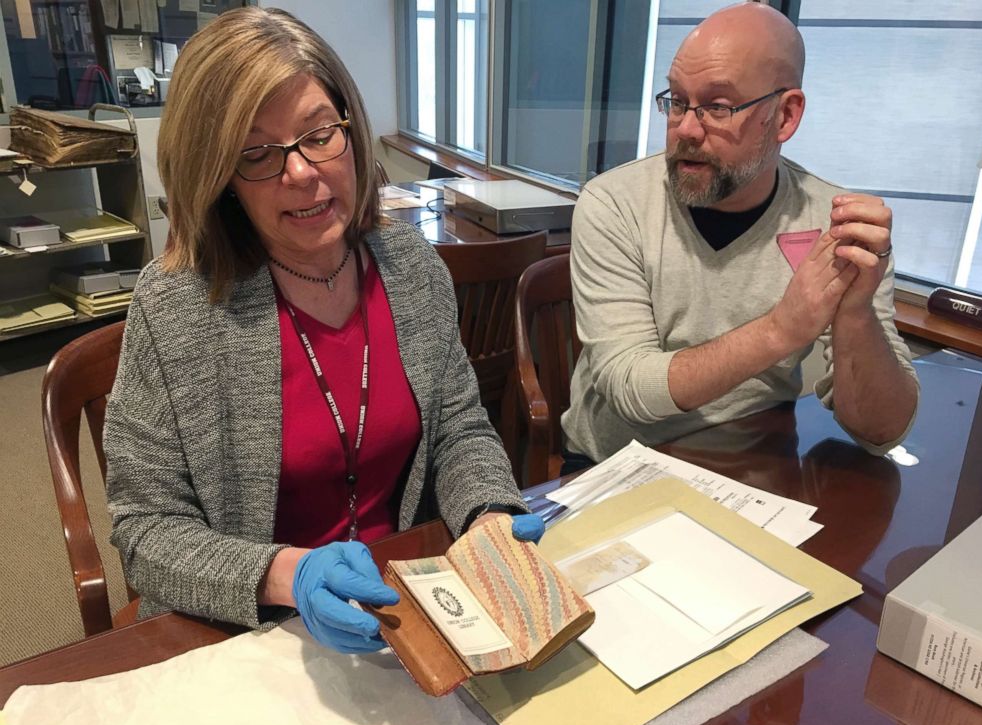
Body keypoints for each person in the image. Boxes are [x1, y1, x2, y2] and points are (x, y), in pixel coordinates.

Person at [104, 7, 542, 655]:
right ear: (220, 175)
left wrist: (488, 516)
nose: (303, 171)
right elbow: (145, 530)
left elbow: (459, 432)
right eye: (257, 153)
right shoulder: (178, 305)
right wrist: (287, 573)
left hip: (402, 608)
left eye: (318, 134)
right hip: (246, 629)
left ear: (350, 130)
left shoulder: (411, 268)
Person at [561, 2, 919, 468]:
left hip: (760, 466)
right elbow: (630, 390)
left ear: (786, 116)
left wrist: (854, 316)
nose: (685, 128)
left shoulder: (834, 225)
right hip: (617, 465)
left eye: (717, 106)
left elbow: (881, 433)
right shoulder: (615, 202)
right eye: (676, 100)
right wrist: (780, 330)